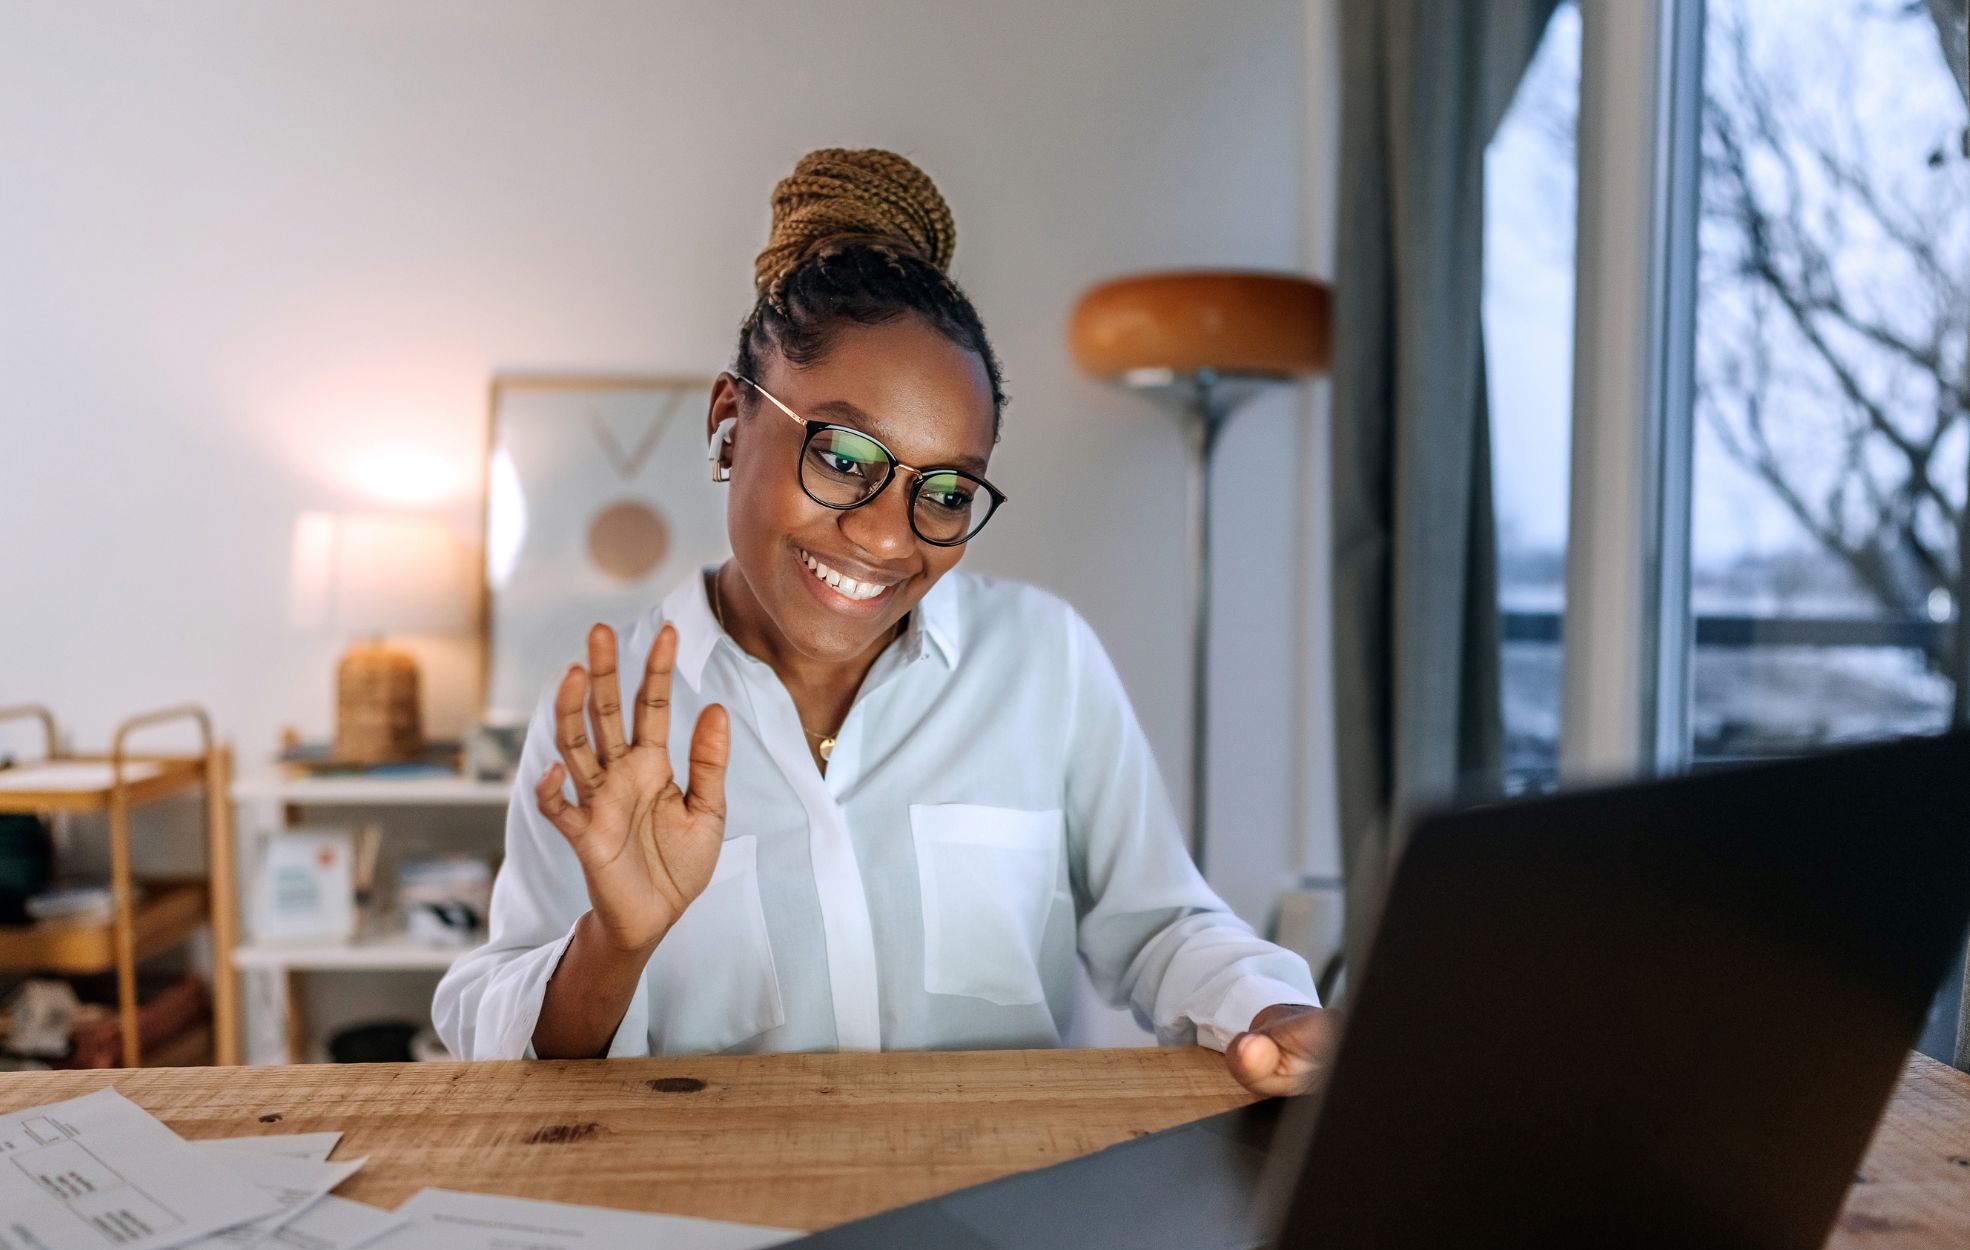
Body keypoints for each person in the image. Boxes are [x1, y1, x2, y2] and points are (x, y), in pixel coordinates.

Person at [433, 148, 1330, 1096]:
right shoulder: (608, 711)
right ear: (730, 420)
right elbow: (493, 1032)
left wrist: (1271, 1010)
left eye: (945, 490)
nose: (882, 536)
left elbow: (1160, 926)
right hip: (713, 1205)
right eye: (846, 455)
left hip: (992, 1204)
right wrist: (612, 949)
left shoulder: (1042, 659)